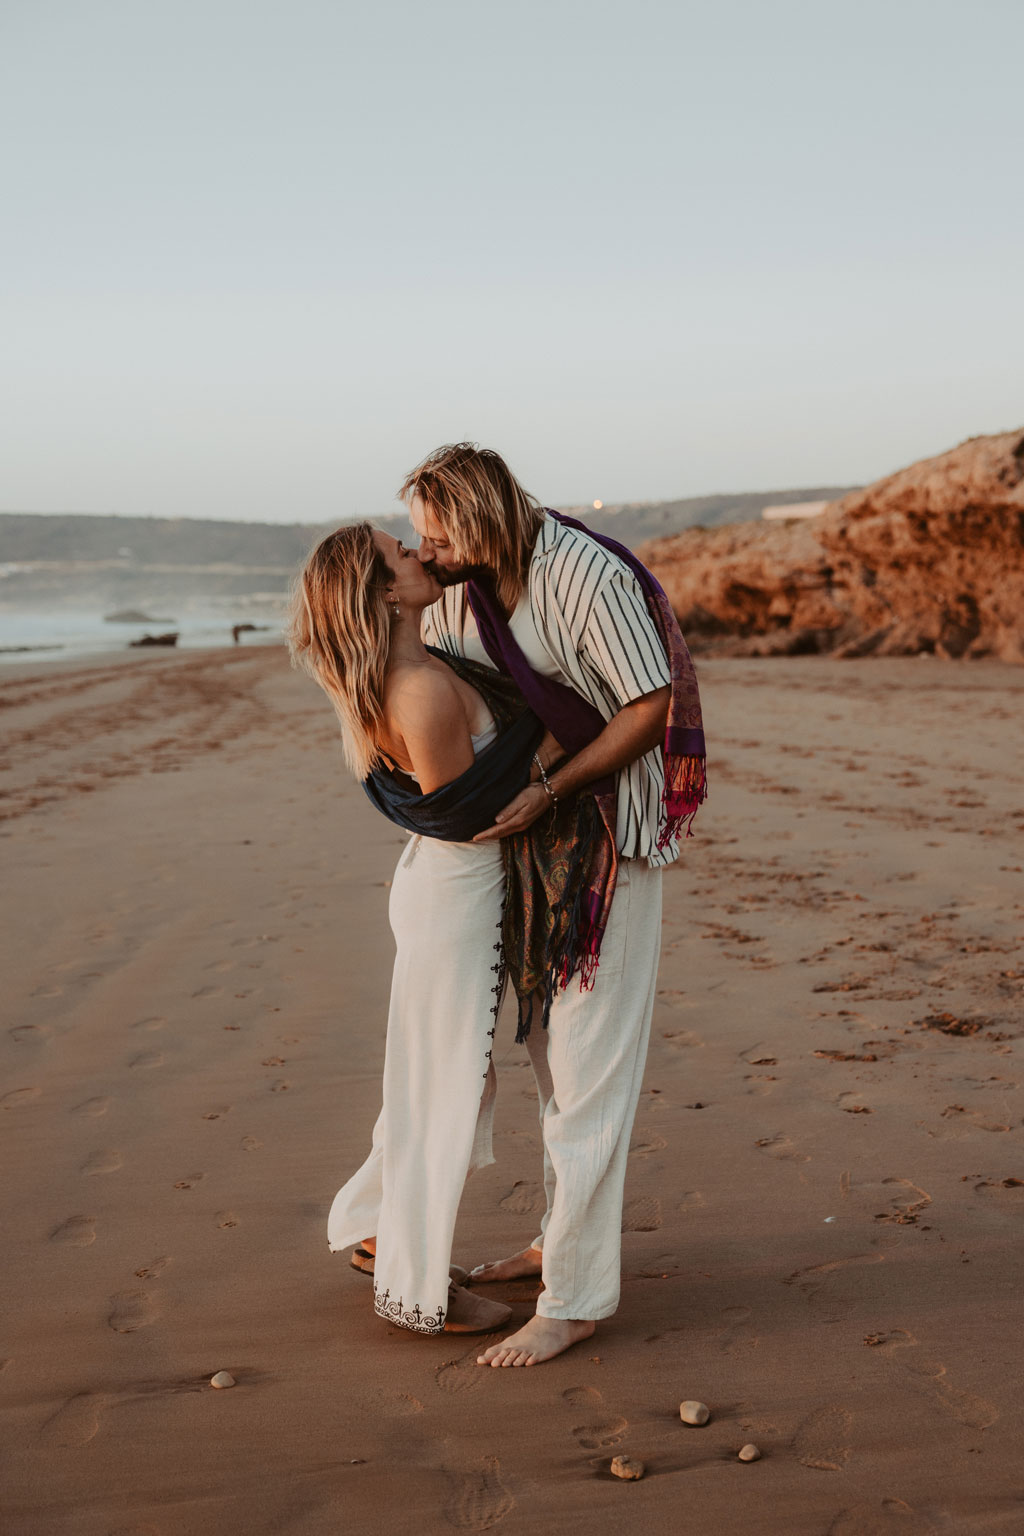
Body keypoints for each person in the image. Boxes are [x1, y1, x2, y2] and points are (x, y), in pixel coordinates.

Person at [402, 442, 706, 1368]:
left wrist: (549, 789)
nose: (428, 554)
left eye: (438, 536)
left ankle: (574, 1299)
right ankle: (552, 1245)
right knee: (548, 1059)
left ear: (486, 518)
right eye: (418, 540)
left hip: (608, 835)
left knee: (588, 1070)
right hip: (530, 852)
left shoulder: (583, 575)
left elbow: (648, 706)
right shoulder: (458, 591)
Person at [288, 522, 573, 1337]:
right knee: (447, 1084)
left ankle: (378, 1229)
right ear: (384, 592)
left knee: (437, 1077)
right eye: (400, 553)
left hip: (447, 885)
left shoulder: (423, 665)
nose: (418, 552)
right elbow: (470, 810)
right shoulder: (415, 687)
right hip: (458, 895)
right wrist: (567, 734)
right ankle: (416, 1287)